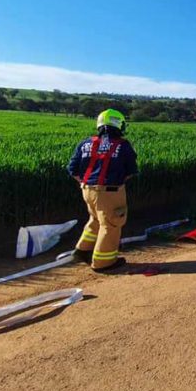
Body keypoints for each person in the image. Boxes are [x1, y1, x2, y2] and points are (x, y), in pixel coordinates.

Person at [67, 109, 138, 271]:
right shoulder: (123, 145)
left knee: (95, 220)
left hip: (87, 190)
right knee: (111, 224)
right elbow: (131, 171)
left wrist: (86, 183)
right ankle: (103, 262)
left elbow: (72, 169)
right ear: (118, 124)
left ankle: (83, 250)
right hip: (110, 192)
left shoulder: (85, 143)